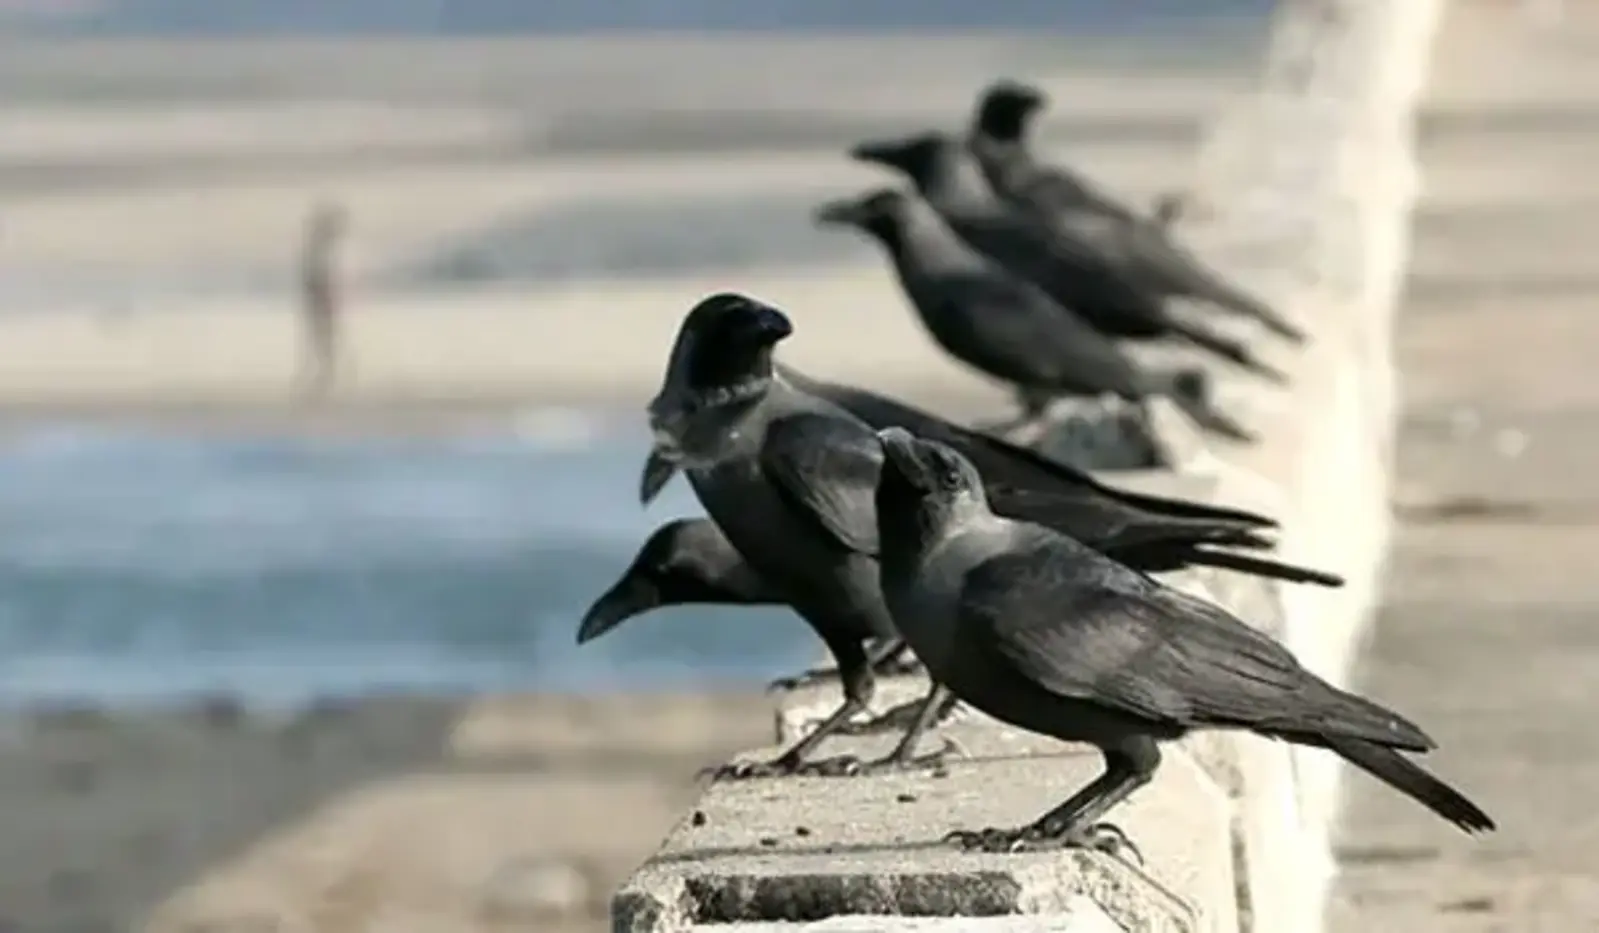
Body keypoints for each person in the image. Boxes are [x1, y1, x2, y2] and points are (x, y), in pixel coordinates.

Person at [298, 201, 349, 398]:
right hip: (321, 304)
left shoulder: (316, 252)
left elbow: (315, 281)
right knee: (325, 344)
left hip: (320, 303)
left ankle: (323, 379)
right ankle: (324, 380)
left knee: (323, 344)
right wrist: (328, 301)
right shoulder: (319, 253)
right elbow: (318, 282)